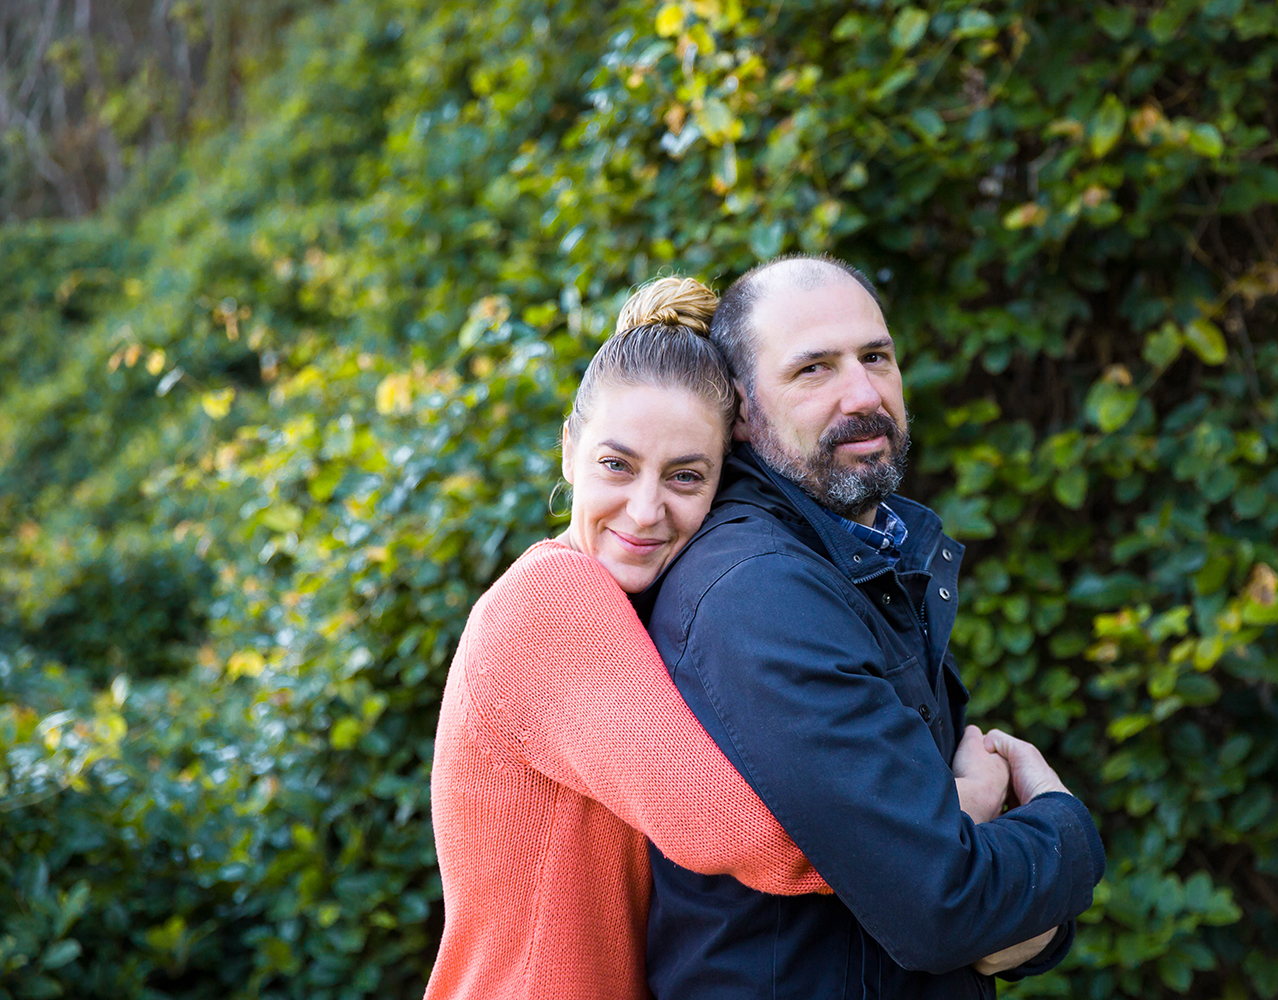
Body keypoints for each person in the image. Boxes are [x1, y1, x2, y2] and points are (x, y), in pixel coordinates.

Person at [423, 276, 1018, 1000]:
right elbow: (739, 832)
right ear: (568, 450)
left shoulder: (623, 602)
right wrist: (959, 815)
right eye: (617, 464)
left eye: (685, 476)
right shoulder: (551, 602)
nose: (645, 510)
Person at [642, 255, 1108, 999]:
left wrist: (1026, 921)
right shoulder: (756, 595)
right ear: (738, 407)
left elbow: (965, 905)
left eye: (875, 357)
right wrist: (1065, 825)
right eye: (814, 370)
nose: (863, 394)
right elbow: (944, 905)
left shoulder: (860, 556)